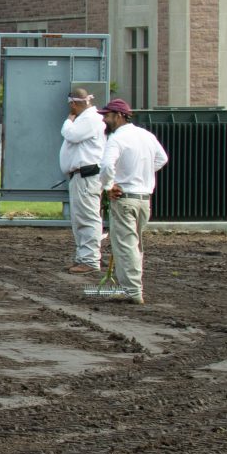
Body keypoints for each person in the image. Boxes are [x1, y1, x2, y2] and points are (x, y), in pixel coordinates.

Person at [95, 99, 168, 305]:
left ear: (118, 116)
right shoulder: (147, 136)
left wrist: (109, 185)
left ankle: (132, 290)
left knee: (125, 245)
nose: (104, 120)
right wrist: (141, 174)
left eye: (107, 116)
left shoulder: (117, 139)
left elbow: (107, 166)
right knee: (135, 245)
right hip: (144, 199)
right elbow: (162, 159)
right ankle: (131, 286)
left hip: (125, 198)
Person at [59, 86, 106, 274]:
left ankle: (90, 259)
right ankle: (83, 257)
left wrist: (69, 120)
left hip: (87, 175)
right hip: (81, 175)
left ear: (73, 104)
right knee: (80, 218)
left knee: (87, 217)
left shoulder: (90, 119)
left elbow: (71, 134)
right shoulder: (87, 119)